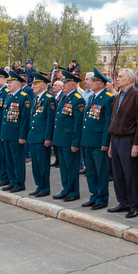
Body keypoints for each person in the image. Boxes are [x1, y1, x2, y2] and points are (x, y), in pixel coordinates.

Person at [108, 68, 138, 218]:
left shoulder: (136, 95)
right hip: (115, 139)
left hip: (127, 140)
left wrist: (136, 144)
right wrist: (111, 143)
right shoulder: (118, 96)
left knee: (130, 174)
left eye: (120, 76)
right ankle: (123, 202)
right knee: (118, 174)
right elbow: (113, 120)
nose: (117, 79)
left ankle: (134, 206)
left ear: (129, 79)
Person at [80, 68, 114, 210]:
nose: (91, 83)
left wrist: (105, 142)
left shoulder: (108, 98)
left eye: (93, 81)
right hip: (88, 140)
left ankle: (102, 198)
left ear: (101, 84)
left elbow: (108, 122)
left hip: (99, 141)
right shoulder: (92, 97)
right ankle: (94, 195)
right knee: (91, 171)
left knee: (101, 171)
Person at [52, 71, 86, 201]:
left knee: (71, 167)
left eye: (66, 83)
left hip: (69, 139)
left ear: (73, 85)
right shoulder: (64, 97)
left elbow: (78, 123)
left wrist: (75, 143)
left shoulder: (78, 99)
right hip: (61, 139)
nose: (63, 85)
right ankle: (66, 189)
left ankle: (73, 192)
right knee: (64, 167)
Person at [0, 71, 31, 192]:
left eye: (11, 82)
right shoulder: (8, 96)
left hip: (16, 134)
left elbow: (25, 119)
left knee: (17, 160)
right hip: (7, 133)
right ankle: (12, 181)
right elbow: (4, 117)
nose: (8, 84)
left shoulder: (24, 97)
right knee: (9, 159)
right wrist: (3, 133)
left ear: (18, 83)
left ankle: (19, 183)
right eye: (8, 82)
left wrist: (22, 136)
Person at [27, 72, 56, 197]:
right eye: (32, 84)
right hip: (34, 136)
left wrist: (48, 137)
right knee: (35, 164)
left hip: (42, 137)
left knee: (43, 164)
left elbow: (50, 120)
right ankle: (39, 185)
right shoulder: (35, 100)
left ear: (43, 85)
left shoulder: (49, 99)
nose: (32, 86)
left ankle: (45, 188)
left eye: (35, 84)